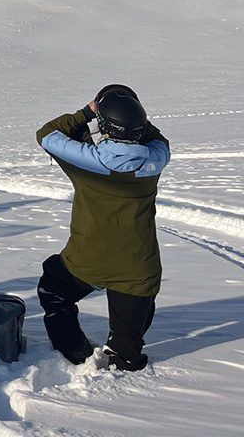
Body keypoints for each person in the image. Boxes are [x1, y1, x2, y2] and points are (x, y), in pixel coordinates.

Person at [34, 85, 172, 371]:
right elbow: (157, 138)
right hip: (139, 269)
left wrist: (89, 110)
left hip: (86, 261)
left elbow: (46, 134)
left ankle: (73, 353)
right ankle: (123, 357)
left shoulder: (85, 162)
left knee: (53, 288)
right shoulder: (156, 160)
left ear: (104, 126)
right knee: (128, 348)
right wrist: (133, 117)